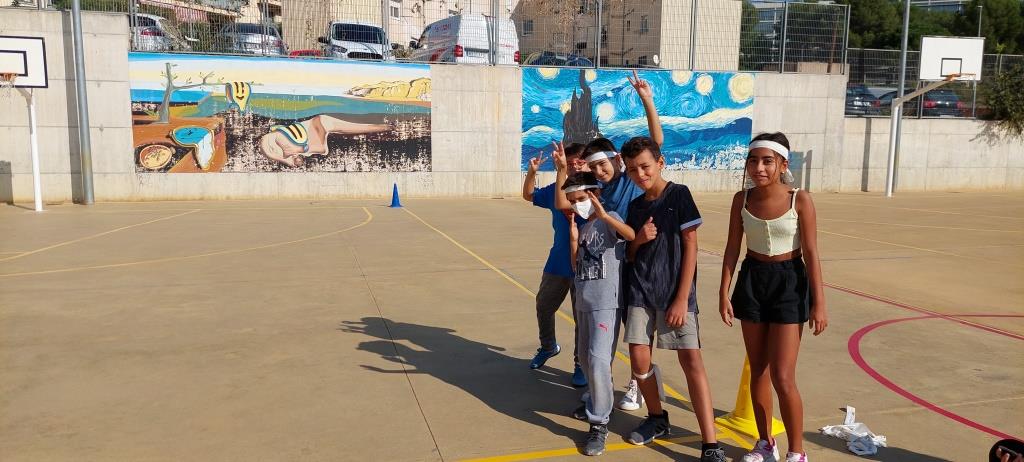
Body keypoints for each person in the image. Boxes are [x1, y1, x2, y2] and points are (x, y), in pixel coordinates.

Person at [553, 70, 664, 412]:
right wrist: (562, 169)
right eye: (594, 167)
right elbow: (565, 202)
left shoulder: (630, 179)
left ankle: (636, 384)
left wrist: (647, 101)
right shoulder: (597, 189)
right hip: (613, 265)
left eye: (604, 164)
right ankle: (606, 388)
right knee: (612, 335)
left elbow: (655, 142)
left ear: (616, 160)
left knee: (637, 332)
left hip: (640, 260)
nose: (600, 171)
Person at [718, 132, 828, 462]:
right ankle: (766, 443)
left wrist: (819, 303)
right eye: (753, 161)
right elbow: (732, 248)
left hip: (789, 282)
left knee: (782, 375)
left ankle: (797, 451)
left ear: (783, 164)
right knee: (758, 370)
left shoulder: (800, 200)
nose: (759, 168)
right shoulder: (741, 200)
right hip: (752, 280)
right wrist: (724, 291)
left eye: (767, 161)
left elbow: (812, 252)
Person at [620, 136, 725, 462]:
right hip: (640, 291)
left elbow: (691, 245)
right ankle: (657, 417)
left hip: (675, 294)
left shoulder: (679, 194)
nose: (640, 174)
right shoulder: (635, 207)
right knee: (639, 360)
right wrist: (638, 239)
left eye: (645, 166)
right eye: (632, 169)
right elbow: (630, 254)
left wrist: (681, 298)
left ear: (660, 163)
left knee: (691, 361)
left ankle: (710, 443)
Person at [561, 172, 635, 456]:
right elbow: (576, 266)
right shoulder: (584, 227)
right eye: (572, 200)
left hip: (606, 302)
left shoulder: (609, 219)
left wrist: (605, 215)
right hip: (584, 301)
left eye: (580, 198)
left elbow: (631, 235)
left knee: (598, 359)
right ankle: (598, 399)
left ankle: (599, 422)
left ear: (595, 194)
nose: (576, 204)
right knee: (586, 359)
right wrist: (573, 240)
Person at [522, 143, 590, 387]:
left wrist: (562, 170)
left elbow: (567, 206)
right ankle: (548, 346)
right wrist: (532, 172)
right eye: (570, 163)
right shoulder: (556, 189)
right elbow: (529, 195)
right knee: (543, 305)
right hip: (559, 260)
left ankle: (580, 364)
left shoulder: (594, 191)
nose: (575, 166)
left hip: (586, 265)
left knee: (581, 318)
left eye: (580, 162)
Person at [259, 114, 390, 167]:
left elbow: (270, 143)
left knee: (330, 124)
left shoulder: (287, 151)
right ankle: (385, 127)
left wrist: (292, 153)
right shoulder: (296, 151)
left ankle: (385, 127)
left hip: (311, 130)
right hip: (311, 132)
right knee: (329, 124)